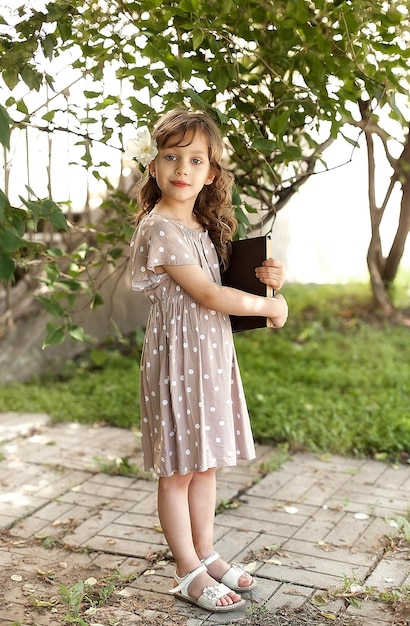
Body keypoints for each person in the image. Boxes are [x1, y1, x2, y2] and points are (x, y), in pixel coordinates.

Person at [130, 109, 288, 613]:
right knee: (178, 468)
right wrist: (268, 308)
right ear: (153, 166)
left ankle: (207, 553)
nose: (182, 167)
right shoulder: (160, 229)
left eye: (195, 159)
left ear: (211, 172)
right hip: (177, 359)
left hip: (210, 355)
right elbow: (207, 294)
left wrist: (268, 282)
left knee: (205, 465)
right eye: (171, 156)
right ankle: (186, 569)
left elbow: (227, 287)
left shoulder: (200, 225)